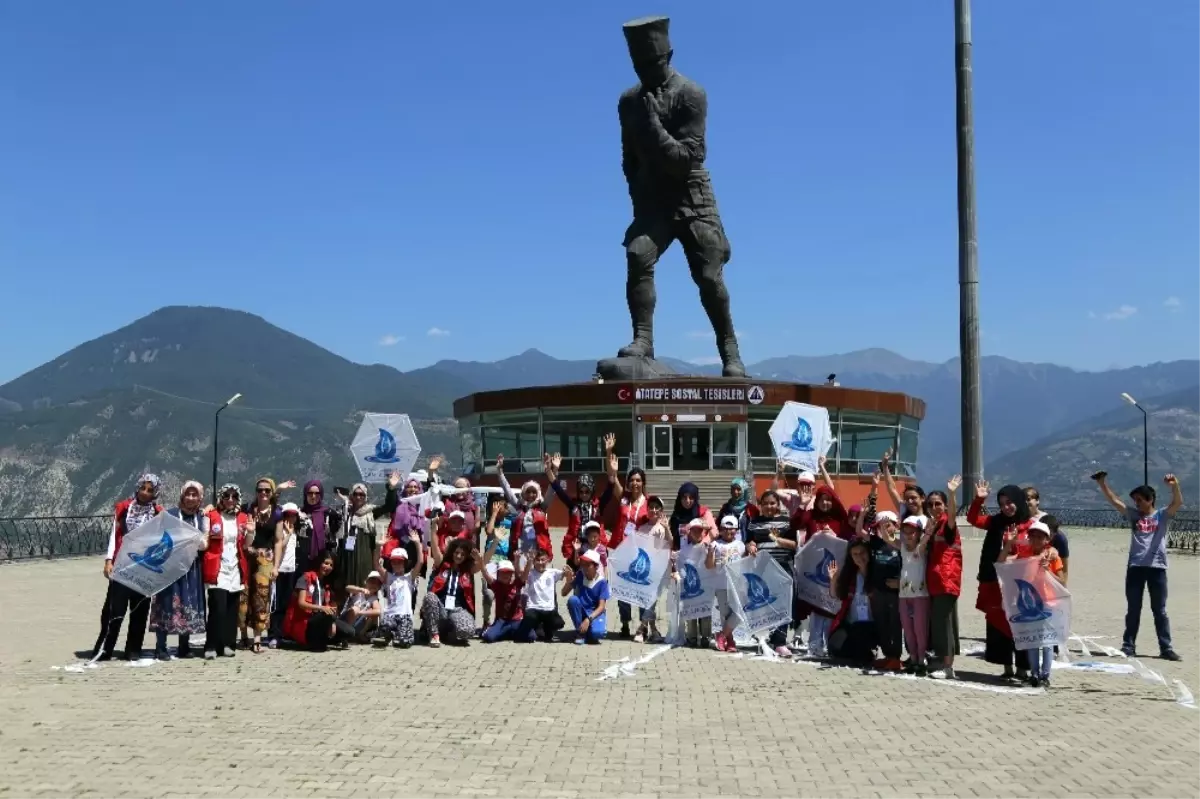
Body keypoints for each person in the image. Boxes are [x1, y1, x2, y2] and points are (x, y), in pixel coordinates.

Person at [1094, 471, 1184, 661]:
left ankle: (1166, 647)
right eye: (1135, 500)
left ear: (1150, 499)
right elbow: (1114, 501)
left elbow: (1177, 503)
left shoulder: (1161, 516)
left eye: (1140, 500)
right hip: (1135, 567)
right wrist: (1103, 483)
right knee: (1133, 609)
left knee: (1159, 610)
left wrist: (1174, 485)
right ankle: (1128, 646)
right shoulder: (1134, 516)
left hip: (1157, 568)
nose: (1137, 504)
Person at [92, 473, 164, 661]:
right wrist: (109, 560)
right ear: (137, 488)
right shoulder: (124, 508)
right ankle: (104, 648)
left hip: (145, 569)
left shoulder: (158, 513)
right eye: (143, 488)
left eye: (150, 490)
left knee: (139, 610)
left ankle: (133, 649)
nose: (145, 493)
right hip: (122, 566)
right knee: (114, 611)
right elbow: (114, 536)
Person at [968, 481, 1034, 680]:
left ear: (1019, 502)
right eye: (1002, 503)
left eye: (1010, 502)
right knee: (999, 622)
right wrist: (979, 499)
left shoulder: (1029, 525)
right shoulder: (995, 522)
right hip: (995, 582)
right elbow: (972, 518)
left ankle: (1023, 668)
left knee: (1021, 624)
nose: (1006, 507)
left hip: (1020, 584)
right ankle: (1006, 667)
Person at [998, 520, 1066, 687]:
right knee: (1032, 640)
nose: (1035, 540)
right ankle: (1034, 674)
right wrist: (1009, 543)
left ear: (1047, 539)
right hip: (1029, 604)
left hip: (1049, 603)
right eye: (1032, 536)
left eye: (1040, 537)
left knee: (1048, 642)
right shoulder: (1025, 555)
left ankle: (1045, 675)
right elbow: (1002, 563)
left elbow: (1062, 582)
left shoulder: (1052, 556)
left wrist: (1047, 569)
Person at [150, 480, 209, 660]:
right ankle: (161, 647)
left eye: (195, 495)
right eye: (188, 494)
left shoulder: (203, 518)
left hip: (192, 568)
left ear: (200, 498)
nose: (191, 498)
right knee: (167, 602)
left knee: (188, 603)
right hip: (171, 567)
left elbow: (205, 544)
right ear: (182, 495)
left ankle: (184, 645)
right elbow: (160, 539)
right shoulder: (170, 515)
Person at [546, 435, 619, 564]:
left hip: (594, 546)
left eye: (587, 491)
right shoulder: (573, 505)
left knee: (595, 579)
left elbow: (610, 485)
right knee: (575, 579)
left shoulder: (598, 504)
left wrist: (608, 453)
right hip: (577, 548)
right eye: (581, 491)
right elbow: (557, 488)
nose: (584, 494)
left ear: (592, 491)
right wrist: (550, 470)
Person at [334, 475, 400, 609]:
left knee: (364, 583)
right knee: (345, 584)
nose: (359, 497)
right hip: (346, 556)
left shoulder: (370, 512)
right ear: (351, 496)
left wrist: (391, 488)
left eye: (362, 495)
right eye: (356, 494)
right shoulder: (344, 512)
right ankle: (344, 615)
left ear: (366, 497)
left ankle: (364, 615)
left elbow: (389, 505)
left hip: (364, 555)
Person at [745, 489, 798, 657]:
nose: (769, 506)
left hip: (782, 568)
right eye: (766, 503)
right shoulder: (754, 522)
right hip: (762, 569)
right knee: (764, 604)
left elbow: (795, 545)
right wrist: (751, 545)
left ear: (778, 505)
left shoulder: (787, 522)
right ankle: (764, 638)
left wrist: (778, 540)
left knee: (783, 604)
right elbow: (749, 541)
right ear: (760, 505)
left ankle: (780, 642)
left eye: (773, 503)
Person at [202, 484, 250, 660]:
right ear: (221, 498)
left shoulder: (243, 518)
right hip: (218, 567)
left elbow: (246, 545)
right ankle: (211, 645)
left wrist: (250, 533)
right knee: (217, 608)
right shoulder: (212, 516)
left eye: (234, 497)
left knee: (232, 609)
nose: (230, 500)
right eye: (227, 496)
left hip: (235, 567)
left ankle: (228, 644)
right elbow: (205, 539)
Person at [609, 464, 652, 637]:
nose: (635, 483)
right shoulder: (623, 499)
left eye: (638, 480)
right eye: (632, 480)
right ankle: (625, 624)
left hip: (642, 553)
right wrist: (609, 455)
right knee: (623, 589)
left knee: (642, 589)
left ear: (643, 483)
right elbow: (612, 479)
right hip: (623, 550)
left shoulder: (649, 503)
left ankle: (643, 626)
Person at [926, 479, 963, 680]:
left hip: (946, 581)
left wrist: (952, 494)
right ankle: (942, 661)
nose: (934, 507)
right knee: (939, 623)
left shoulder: (947, 525)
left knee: (944, 624)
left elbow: (952, 517)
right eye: (930, 504)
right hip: (935, 582)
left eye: (938, 503)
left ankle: (948, 666)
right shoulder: (932, 526)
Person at [859, 508, 904, 672]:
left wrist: (900, 582)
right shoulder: (874, 542)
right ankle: (887, 655)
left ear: (895, 526)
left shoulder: (900, 545)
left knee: (895, 624)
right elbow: (859, 531)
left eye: (888, 525)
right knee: (882, 624)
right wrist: (863, 515)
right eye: (881, 525)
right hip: (877, 590)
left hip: (894, 592)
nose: (885, 528)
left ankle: (896, 656)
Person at [242, 476, 282, 653]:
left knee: (261, 596)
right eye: (260, 490)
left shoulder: (277, 513)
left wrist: (276, 566)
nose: (263, 493)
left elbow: (279, 541)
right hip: (246, 556)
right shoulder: (247, 509)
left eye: (267, 490)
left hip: (265, 559)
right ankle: (243, 634)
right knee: (243, 596)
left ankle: (257, 637)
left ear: (272, 493)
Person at [284, 551, 353, 652]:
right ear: (319, 563)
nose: (328, 567)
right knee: (327, 616)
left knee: (350, 631)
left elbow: (332, 607)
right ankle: (312, 640)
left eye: (331, 565)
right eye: (325, 563)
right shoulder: (305, 578)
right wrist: (322, 609)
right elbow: (301, 603)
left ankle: (322, 639)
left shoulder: (327, 583)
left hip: (321, 618)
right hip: (304, 621)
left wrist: (332, 621)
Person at [421, 537, 482, 647]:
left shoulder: (467, 571)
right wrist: (434, 528)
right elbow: (435, 548)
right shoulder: (442, 565)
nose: (458, 556)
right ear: (452, 552)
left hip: (457, 609)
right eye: (457, 552)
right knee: (430, 597)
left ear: (466, 556)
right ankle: (434, 634)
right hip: (441, 609)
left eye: (462, 554)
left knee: (468, 630)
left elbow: (481, 565)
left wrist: (479, 558)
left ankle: (448, 634)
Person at [827, 540, 878, 666]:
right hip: (851, 622)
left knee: (860, 652)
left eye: (862, 553)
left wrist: (865, 569)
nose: (859, 557)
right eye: (855, 554)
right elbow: (836, 595)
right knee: (835, 647)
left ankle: (868, 650)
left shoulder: (877, 572)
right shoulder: (849, 574)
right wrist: (833, 580)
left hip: (872, 624)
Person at [895, 513, 933, 675]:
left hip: (920, 595)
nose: (909, 535)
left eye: (912, 532)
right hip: (903, 596)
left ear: (918, 533)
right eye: (905, 532)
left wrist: (929, 530)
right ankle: (913, 657)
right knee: (908, 629)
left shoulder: (921, 549)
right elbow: (887, 537)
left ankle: (920, 659)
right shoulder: (902, 548)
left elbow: (927, 537)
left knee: (919, 629)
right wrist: (884, 527)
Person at [374, 534, 422, 649]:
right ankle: (388, 635)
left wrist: (417, 543)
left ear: (405, 563)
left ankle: (396, 635)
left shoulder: (409, 577)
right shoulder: (388, 577)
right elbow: (376, 564)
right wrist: (378, 547)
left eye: (399, 562)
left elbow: (420, 562)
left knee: (405, 643)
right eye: (394, 562)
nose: (396, 564)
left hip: (405, 615)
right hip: (390, 614)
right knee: (385, 626)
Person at [268, 503, 303, 648]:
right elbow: (280, 546)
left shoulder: (295, 531)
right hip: (280, 570)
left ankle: (282, 633)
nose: (291, 517)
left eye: (293, 515)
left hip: (291, 571)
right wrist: (287, 534)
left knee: (286, 604)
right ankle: (273, 635)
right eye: (288, 514)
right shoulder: (281, 530)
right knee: (276, 605)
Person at [709, 514, 746, 653]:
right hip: (721, 584)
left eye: (732, 529)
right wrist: (710, 552)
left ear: (736, 530)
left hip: (737, 585)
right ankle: (730, 640)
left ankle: (722, 635)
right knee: (725, 614)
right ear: (721, 529)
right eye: (725, 529)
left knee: (739, 612)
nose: (728, 532)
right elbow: (710, 565)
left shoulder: (741, 545)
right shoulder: (715, 544)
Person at [676, 517, 714, 648]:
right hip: (690, 584)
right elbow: (679, 564)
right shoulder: (684, 549)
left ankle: (705, 637)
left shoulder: (708, 545)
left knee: (705, 611)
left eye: (700, 530)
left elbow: (714, 534)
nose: (697, 533)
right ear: (689, 532)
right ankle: (692, 636)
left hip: (705, 584)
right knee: (691, 610)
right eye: (694, 530)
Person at [518, 548, 568, 643]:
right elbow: (522, 578)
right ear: (534, 561)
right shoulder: (530, 572)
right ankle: (536, 628)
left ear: (548, 560)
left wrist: (568, 572)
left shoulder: (552, 572)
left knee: (558, 623)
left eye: (543, 560)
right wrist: (529, 562)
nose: (540, 562)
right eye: (538, 560)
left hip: (548, 609)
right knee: (528, 622)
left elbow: (565, 574)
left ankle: (546, 629)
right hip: (534, 608)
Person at [297, 479, 343, 576]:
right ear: (305, 494)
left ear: (321, 494)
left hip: (322, 561)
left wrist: (329, 531)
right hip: (302, 559)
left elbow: (338, 532)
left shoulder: (329, 513)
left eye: (317, 493)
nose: (313, 496)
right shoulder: (299, 513)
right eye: (310, 493)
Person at [563, 550, 608, 645]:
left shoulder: (602, 582)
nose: (584, 567)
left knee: (597, 634)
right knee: (573, 600)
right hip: (582, 610)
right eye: (583, 564)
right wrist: (569, 580)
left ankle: (586, 629)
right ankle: (580, 633)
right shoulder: (580, 575)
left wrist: (588, 619)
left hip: (595, 614)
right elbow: (564, 593)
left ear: (596, 566)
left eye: (588, 565)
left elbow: (601, 607)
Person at [481, 560, 525, 643]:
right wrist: (480, 561)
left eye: (508, 573)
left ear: (512, 574)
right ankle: (504, 632)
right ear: (498, 574)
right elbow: (485, 573)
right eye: (502, 572)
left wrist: (524, 561)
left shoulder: (517, 584)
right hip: (501, 620)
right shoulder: (496, 585)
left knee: (531, 636)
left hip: (516, 620)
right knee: (488, 637)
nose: (505, 575)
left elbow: (524, 574)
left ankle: (507, 632)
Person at [881, 449, 925, 520]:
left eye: (913, 498)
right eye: (907, 499)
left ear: (922, 498)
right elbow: (892, 489)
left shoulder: (929, 520)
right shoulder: (904, 512)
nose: (910, 501)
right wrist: (885, 466)